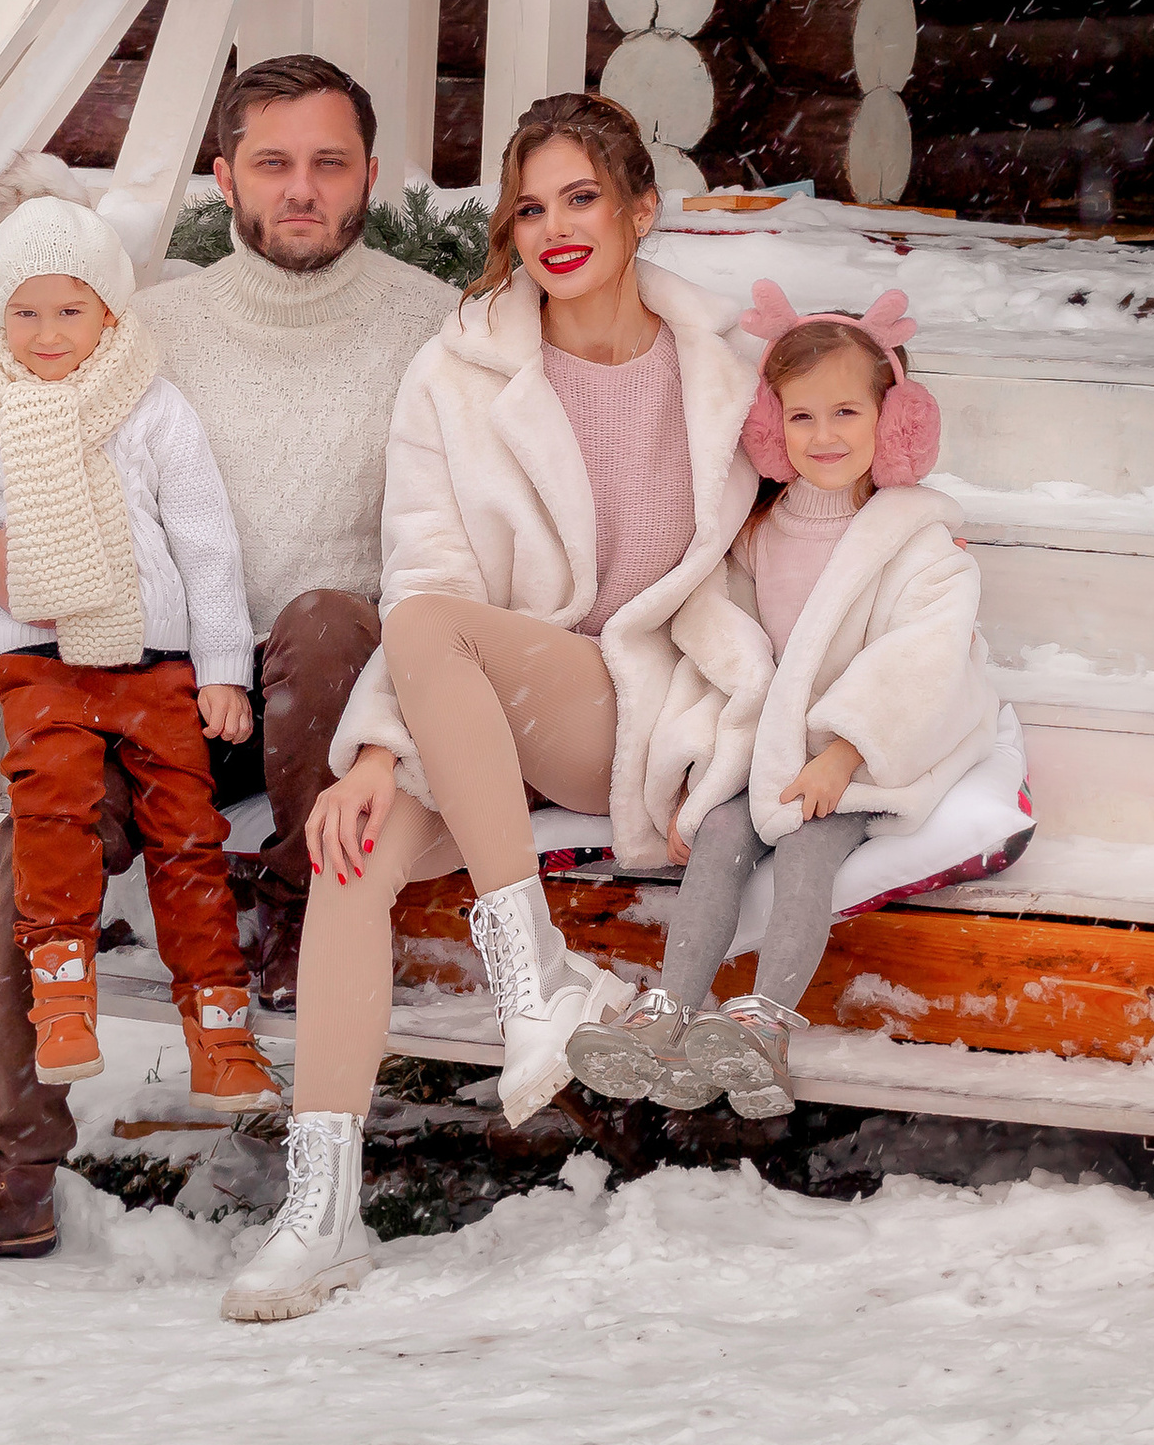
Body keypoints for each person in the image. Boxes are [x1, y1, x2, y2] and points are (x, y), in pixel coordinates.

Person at [0, 56, 457, 1267]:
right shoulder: (156, 328)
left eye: (329, 162)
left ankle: (298, 915)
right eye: (273, 163)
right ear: (225, 177)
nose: (301, 189)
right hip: (156, 686)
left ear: (368, 175)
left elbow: (458, 537)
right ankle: (15, 1167)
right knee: (45, 826)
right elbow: (24, 464)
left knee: (319, 615)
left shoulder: (427, 325)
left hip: (334, 699)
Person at [220, 92, 775, 1324]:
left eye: (582, 198)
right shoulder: (459, 370)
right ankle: (323, 1214)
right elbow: (427, 578)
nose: (554, 229)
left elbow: (766, 588)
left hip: (619, 708)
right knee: (355, 851)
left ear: (641, 209)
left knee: (429, 634)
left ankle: (532, 984)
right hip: (469, 707)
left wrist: (729, 756)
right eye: (530, 207)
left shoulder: (728, 385)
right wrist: (375, 753)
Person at [0, 191, 280, 1158]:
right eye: (26, 312)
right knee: (51, 813)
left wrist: (225, 667)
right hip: (41, 663)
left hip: (157, 668)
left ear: (110, 312)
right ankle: (63, 998)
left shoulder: (151, 407)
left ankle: (217, 1027)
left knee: (186, 834)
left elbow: (205, 541)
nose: (47, 333)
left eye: (70, 310)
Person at [567, 287, 1000, 1118]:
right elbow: (722, 652)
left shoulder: (916, 541)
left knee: (804, 848)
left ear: (896, 422)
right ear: (769, 429)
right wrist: (703, 765)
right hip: (773, 744)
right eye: (799, 417)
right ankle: (671, 1011)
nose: (824, 435)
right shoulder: (758, 533)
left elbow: (923, 658)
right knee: (721, 833)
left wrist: (844, 752)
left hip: (866, 750)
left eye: (846, 411)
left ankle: (764, 1024)